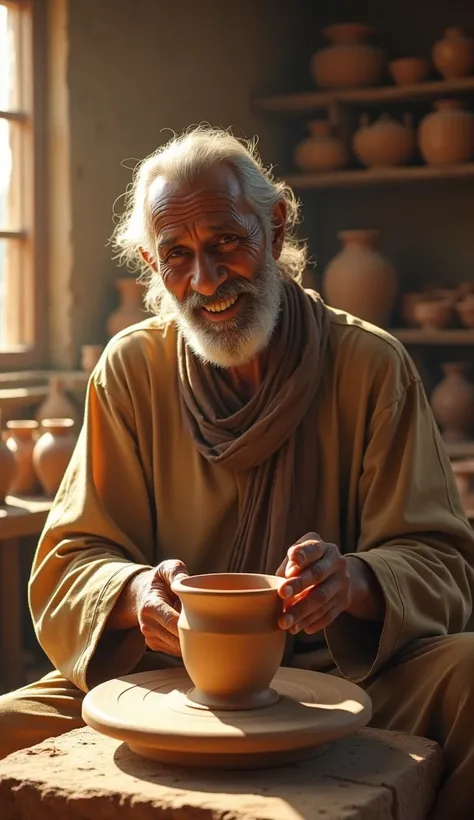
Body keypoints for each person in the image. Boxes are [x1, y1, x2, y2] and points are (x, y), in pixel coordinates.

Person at [0, 126, 473, 818]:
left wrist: (357, 581)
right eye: (178, 257)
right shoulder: (132, 371)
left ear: (275, 228)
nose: (208, 279)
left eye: (227, 242)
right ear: (149, 265)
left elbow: (445, 563)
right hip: (167, 675)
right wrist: (137, 594)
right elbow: (70, 562)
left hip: (343, 670)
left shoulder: (372, 366)